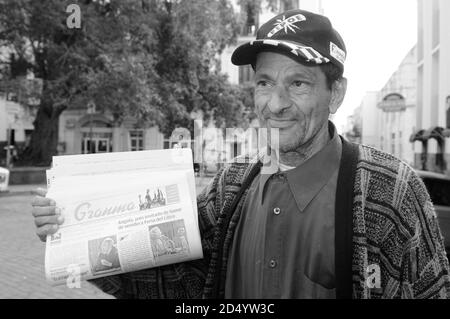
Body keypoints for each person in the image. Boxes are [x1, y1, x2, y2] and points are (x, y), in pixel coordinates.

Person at [31, 9, 450, 299]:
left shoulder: (389, 191)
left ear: (335, 93)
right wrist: (75, 232)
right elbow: (178, 279)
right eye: (264, 83)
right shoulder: (233, 183)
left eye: (298, 84)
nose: (275, 104)